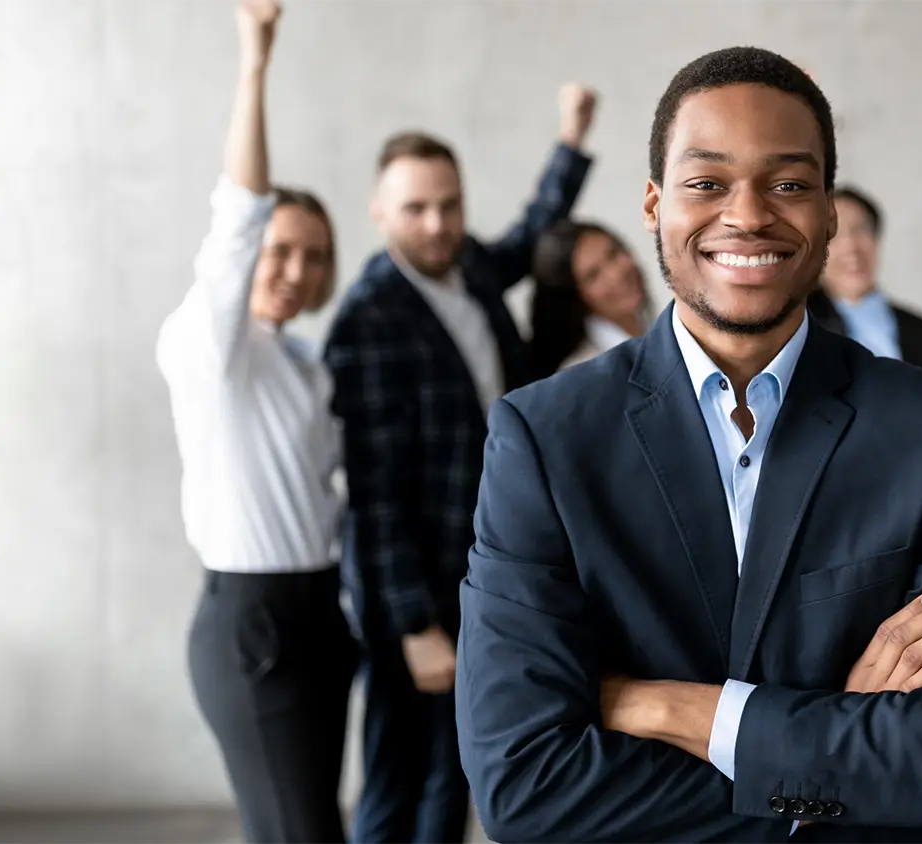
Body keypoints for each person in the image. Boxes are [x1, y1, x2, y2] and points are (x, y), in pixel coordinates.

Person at [456, 46, 922, 844]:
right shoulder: (544, 438)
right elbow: (525, 785)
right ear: (655, 205)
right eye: (707, 183)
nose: (750, 213)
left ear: (829, 211)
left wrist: (667, 707)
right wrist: (832, 755)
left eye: (790, 183)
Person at [322, 85, 598, 844]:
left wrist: (570, 142)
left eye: (450, 204)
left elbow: (528, 237)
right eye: (417, 209)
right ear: (380, 212)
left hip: (479, 563)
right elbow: (372, 494)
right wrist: (414, 625)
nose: (438, 223)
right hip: (413, 589)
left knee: (458, 766)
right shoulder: (368, 319)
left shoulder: (467, 266)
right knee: (398, 772)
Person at [155, 3, 354, 842]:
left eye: (312, 254)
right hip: (252, 624)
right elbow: (236, 218)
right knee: (296, 831)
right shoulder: (210, 346)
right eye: (280, 251)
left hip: (319, 611)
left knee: (314, 828)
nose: (295, 268)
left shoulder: (306, 363)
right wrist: (255, 64)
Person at [808, 185, 922, 373]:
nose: (850, 246)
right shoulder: (796, 330)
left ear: (876, 238)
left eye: (860, 229)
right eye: (832, 235)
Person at [528, 219, 653, 376]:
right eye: (593, 275)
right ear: (576, 298)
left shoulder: (659, 325)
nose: (616, 274)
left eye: (613, 254)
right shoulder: (583, 375)